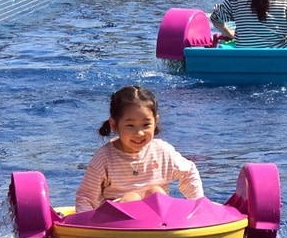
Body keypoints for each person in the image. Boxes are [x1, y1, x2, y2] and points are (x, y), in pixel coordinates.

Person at [75, 86, 204, 211]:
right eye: (130, 125)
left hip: (158, 221)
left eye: (146, 124)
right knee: (132, 198)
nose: (139, 133)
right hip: (117, 222)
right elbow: (86, 197)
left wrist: (198, 206)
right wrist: (84, 225)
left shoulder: (163, 151)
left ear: (155, 122)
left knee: (156, 191)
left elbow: (189, 172)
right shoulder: (105, 158)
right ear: (114, 124)